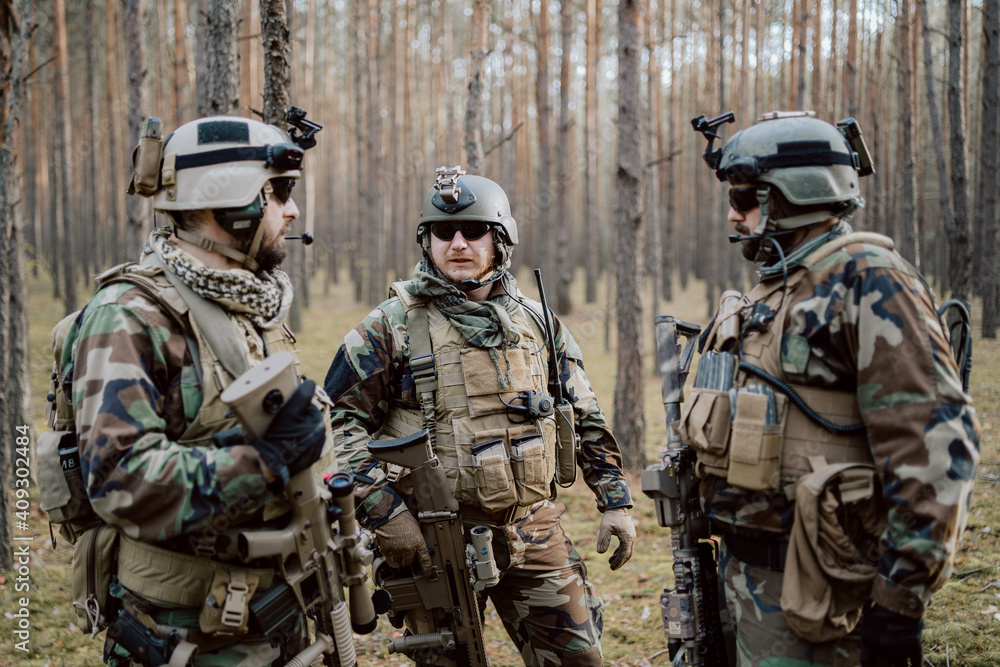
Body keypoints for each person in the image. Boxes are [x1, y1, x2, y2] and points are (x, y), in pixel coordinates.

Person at [684, 111, 980, 666]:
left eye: (746, 197)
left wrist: (898, 607)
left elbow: (939, 450)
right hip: (753, 581)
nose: (733, 213)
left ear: (795, 194)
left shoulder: (868, 279)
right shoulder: (780, 287)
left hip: (825, 597)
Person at [323, 167, 636, 666]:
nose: (458, 243)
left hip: (531, 529)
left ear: (501, 240)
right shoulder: (390, 326)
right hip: (433, 541)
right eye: (444, 233)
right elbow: (337, 424)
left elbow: (583, 412)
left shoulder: (536, 323)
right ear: (428, 242)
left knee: (579, 659)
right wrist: (383, 511)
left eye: (474, 231)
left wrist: (615, 499)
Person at [69, 113, 335, 666]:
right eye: (279, 192)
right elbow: (119, 479)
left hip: (269, 611)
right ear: (229, 198)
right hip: (183, 634)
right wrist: (264, 463)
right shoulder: (128, 316)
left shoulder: (248, 304)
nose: (293, 210)